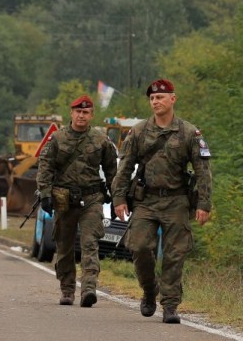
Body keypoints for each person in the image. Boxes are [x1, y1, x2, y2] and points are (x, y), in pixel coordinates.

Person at [111, 78, 212, 325]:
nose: (155, 101)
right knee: (140, 247)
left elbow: (203, 170)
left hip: (177, 200)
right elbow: (125, 167)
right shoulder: (139, 131)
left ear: (172, 99)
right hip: (146, 201)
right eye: (152, 98)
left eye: (160, 97)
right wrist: (119, 198)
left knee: (175, 255)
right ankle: (149, 290)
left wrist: (204, 203)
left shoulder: (189, 132)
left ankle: (170, 305)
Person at [36, 95, 118, 307]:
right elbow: (45, 167)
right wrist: (45, 193)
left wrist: (118, 198)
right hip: (64, 199)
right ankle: (67, 289)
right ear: (71, 113)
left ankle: (89, 288)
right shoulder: (57, 139)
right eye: (78, 112)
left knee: (90, 242)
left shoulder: (101, 141)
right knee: (64, 245)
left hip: (92, 198)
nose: (81, 115)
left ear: (91, 115)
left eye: (86, 112)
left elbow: (112, 171)